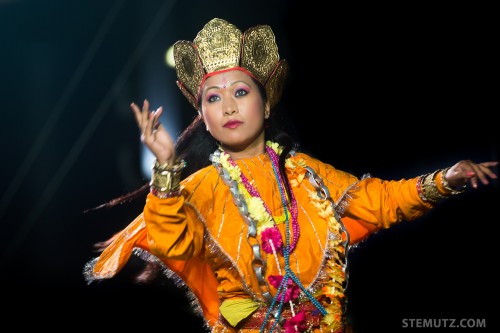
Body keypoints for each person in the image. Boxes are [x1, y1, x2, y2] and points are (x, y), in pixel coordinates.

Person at [83, 18, 497, 333]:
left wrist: (447, 179)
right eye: (214, 98)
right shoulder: (199, 188)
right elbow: (175, 240)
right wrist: (167, 168)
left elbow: (381, 201)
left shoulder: (307, 175)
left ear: (265, 106)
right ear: (204, 118)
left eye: (240, 92)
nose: (228, 106)